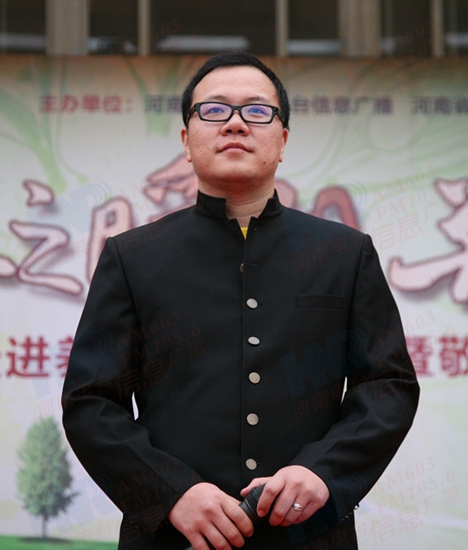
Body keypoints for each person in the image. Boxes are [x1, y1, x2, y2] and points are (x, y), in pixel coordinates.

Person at [62, 52, 420, 550]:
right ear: (186, 141)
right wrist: (171, 493)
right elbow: (91, 402)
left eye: (256, 110)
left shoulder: (344, 253)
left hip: (309, 535)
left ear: (283, 140)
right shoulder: (133, 256)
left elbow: (387, 384)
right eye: (213, 110)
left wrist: (322, 471)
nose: (235, 123)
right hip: (173, 537)